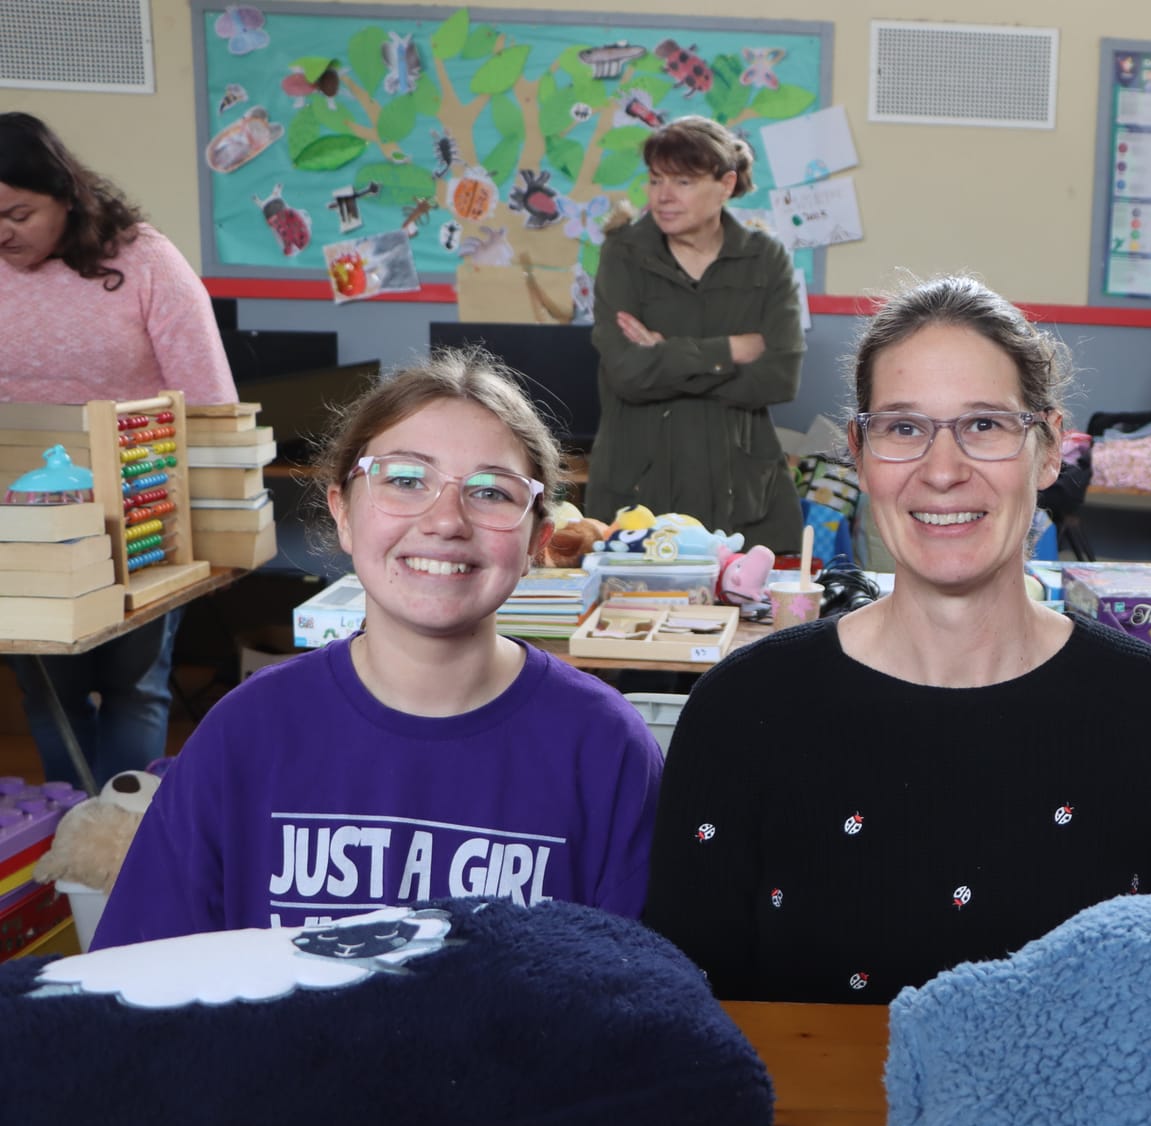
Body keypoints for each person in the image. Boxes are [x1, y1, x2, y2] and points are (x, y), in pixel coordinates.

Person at [646, 275, 1151, 1003]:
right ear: (860, 453)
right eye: (904, 428)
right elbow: (684, 1019)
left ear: (1048, 449)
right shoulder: (741, 711)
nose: (944, 470)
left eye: (984, 424)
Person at [93, 349, 662, 947]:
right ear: (342, 512)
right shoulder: (245, 734)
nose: (446, 520)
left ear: (536, 541)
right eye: (406, 480)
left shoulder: (606, 748)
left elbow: (646, 1001)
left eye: (492, 491)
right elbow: (136, 983)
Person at [0, 113, 237, 790]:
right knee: (48, 683)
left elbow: (211, 399)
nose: (2, 233)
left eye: (19, 212)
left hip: (144, 511)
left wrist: (215, 525)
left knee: (135, 683)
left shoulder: (144, 261)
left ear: (67, 195)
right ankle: (70, 832)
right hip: (26, 526)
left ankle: (127, 841)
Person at [591, 116, 803, 554]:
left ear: (725, 184)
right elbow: (627, 373)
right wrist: (732, 349)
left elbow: (780, 376)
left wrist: (665, 356)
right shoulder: (623, 254)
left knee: (759, 618)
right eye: (655, 180)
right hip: (638, 492)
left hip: (744, 497)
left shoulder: (766, 258)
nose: (663, 196)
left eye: (683, 182)